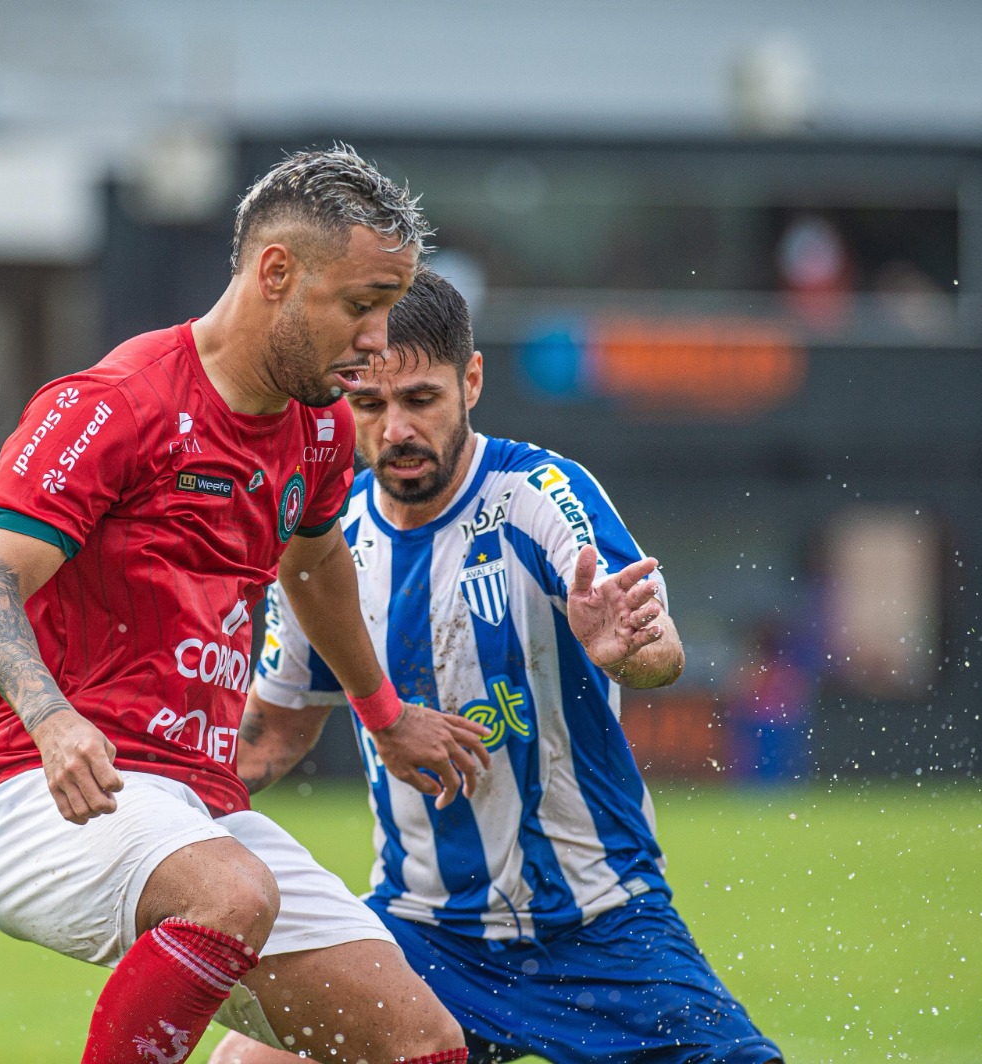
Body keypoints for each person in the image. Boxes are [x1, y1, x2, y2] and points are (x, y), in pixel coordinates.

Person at [0, 148, 491, 1064]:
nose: (377, 338)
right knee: (232, 894)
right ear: (276, 274)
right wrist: (54, 721)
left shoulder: (317, 428)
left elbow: (314, 571)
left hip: (196, 808)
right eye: (361, 305)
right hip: (40, 791)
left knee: (422, 1042)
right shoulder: (118, 403)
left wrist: (382, 715)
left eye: (387, 307)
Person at [213, 271, 782, 1064]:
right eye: (370, 406)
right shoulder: (326, 535)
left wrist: (627, 648)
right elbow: (272, 732)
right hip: (422, 930)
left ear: (471, 380)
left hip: (595, 921)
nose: (397, 429)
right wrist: (154, 812)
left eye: (421, 398)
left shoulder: (539, 494)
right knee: (249, 1061)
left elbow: (658, 652)